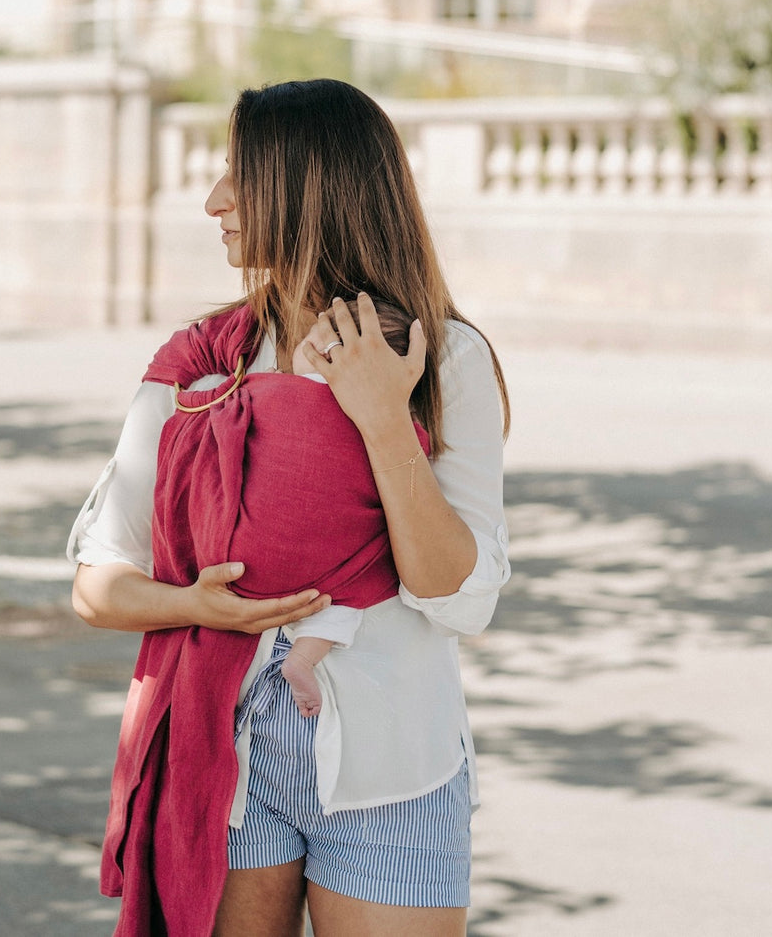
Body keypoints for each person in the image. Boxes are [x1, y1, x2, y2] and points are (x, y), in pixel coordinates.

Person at [70, 78, 511, 937]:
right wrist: (195, 606)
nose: (214, 203)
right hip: (222, 759)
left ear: (311, 187)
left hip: (390, 759)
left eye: (240, 175)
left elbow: (460, 597)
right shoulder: (202, 365)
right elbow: (98, 582)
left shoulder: (443, 358)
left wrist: (384, 417)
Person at [281, 298, 417, 718]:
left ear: (328, 357)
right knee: (352, 595)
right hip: (336, 556)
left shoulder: (285, 393)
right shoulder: (382, 417)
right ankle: (302, 658)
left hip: (271, 536)